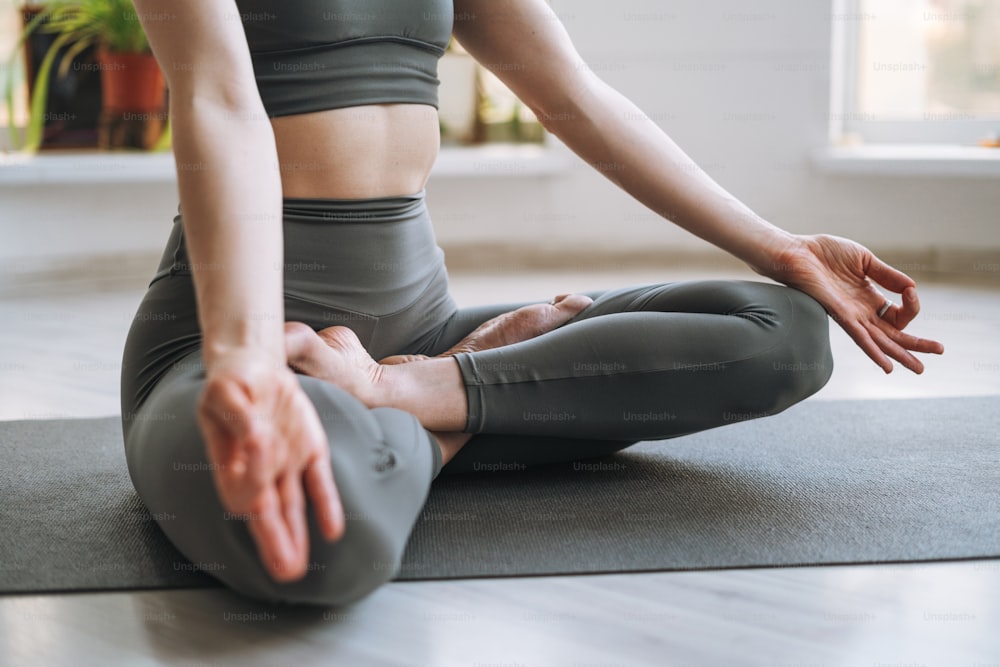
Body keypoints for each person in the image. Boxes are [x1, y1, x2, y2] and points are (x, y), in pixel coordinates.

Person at [120, 0, 944, 607]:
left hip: (424, 329)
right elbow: (218, 101)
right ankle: (452, 403)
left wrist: (781, 247)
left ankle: (412, 391)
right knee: (318, 539)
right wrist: (247, 360)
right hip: (230, 343)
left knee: (787, 334)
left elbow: (574, 96)